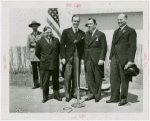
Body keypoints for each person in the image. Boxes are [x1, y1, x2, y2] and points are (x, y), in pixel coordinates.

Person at [106, 13, 137, 106]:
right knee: (113, 79)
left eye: (121, 19)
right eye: (118, 20)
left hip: (124, 59)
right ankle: (114, 97)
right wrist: (110, 57)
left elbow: (133, 47)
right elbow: (113, 45)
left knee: (124, 79)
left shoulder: (131, 31)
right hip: (114, 58)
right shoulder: (116, 31)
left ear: (126, 19)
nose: (119, 21)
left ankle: (123, 98)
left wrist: (130, 61)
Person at [60, 15, 85, 102]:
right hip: (68, 56)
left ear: (79, 22)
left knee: (76, 76)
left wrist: (82, 58)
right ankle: (67, 94)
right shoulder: (66, 31)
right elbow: (62, 45)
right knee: (67, 76)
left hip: (77, 56)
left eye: (77, 21)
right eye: (74, 21)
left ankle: (74, 93)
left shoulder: (82, 33)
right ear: (72, 21)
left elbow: (83, 47)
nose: (76, 23)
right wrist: (63, 57)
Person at [35, 26, 62, 103]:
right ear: (44, 33)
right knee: (45, 82)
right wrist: (44, 58)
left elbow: (59, 50)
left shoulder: (56, 40)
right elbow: (37, 53)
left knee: (55, 81)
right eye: (47, 32)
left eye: (50, 32)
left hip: (54, 64)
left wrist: (54, 57)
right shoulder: (40, 42)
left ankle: (56, 95)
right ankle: (45, 96)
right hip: (44, 65)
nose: (49, 34)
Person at [83, 18, 107, 103]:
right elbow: (84, 48)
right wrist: (84, 59)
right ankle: (91, 94)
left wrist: (101, 59)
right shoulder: (86, 35)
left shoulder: (100, 34)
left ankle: (97, 95)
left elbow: (104, 48)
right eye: (88, 24)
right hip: (88, 59)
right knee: (89, 78)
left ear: (95, 24)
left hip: (97, 60)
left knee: (97, 78)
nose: (89, 25)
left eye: (91, 24)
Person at [27, 21, 42, 89]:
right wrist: (28, 57)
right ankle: (36, 84)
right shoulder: (29, 36)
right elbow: (28, 46)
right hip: (33, 54)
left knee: (41, 69)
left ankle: (42, 83)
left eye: (35, 26)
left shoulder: (41, 34)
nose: (34, 27)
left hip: (40, 54)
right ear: (31, 27)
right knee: (34, 70)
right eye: (33, 26)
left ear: (37, 27)